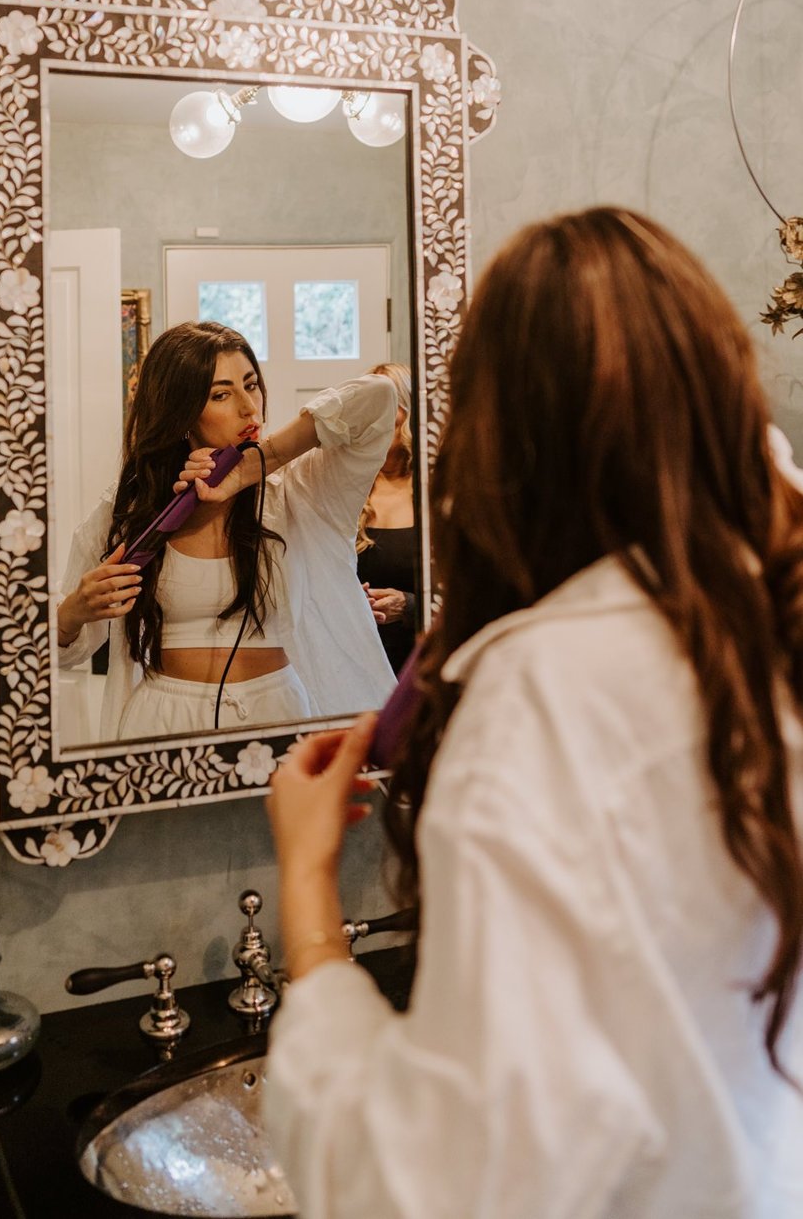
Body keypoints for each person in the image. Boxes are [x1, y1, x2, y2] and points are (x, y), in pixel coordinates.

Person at [264, 208, 803, 1219]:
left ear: (495, 436)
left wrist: (305, 892)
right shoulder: (767, 631)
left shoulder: (546, 696)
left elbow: (433, 1190)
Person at [56, 321, 397, 740]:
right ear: (180, 413)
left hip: (280, 712)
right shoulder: (129, 508)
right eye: (221, 394)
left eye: (251, 385)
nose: (249, 408)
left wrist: (257, 464)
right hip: (162, 720)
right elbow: (60, 651)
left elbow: (379, 398)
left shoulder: (300, 491)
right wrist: (75, 610)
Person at [356, 362, 418, 673]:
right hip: (356, 660)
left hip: (416, 661)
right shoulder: (348, 488)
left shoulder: (436, 491)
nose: (377, 414)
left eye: (388, 402)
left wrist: (407, 605)